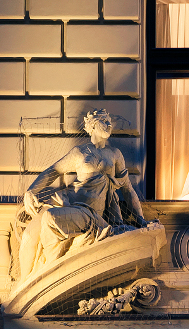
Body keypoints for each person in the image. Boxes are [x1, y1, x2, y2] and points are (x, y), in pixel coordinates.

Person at [20, 108, 149, 260]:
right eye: (104, 121)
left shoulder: (115, 154)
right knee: (29, 235)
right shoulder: (79, 153)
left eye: (109, 122)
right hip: (67, 202)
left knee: (49, 218)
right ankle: (26, 281)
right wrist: (30, 192)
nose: (109, 125)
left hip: (89, 213)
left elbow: (128, 189)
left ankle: (52, 267)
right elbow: (52, 171)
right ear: (92, 126)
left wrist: (141, 219)